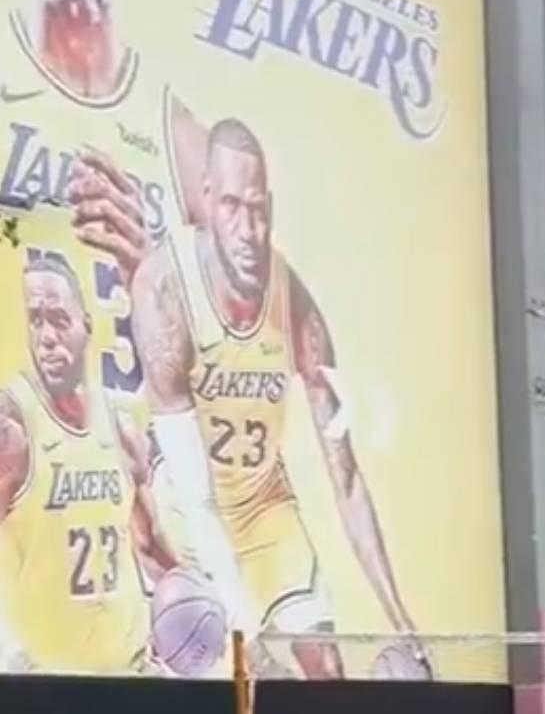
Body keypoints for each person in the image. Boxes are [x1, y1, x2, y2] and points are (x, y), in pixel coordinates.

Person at [130, 117, 425, 680]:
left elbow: (347, 480)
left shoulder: (299, 311)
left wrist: (401, 619)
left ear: (272, 208)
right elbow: (197, 497)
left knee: (326, 670)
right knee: (228, 682)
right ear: (207, 199)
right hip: (189, 514)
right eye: (231, 207)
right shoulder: (164, 290)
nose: (248, 230)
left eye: (258, 210)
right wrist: (248, 639)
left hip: (265, 508)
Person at [0, 249, 174, 673]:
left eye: (59, 320)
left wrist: (196, 602)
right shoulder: (12, 423)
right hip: (50, 682)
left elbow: (149, 545)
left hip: (129, 667)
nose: (46, 337)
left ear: (87, 328)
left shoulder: (118, 423)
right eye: (36, 320)